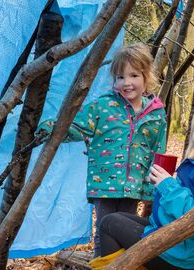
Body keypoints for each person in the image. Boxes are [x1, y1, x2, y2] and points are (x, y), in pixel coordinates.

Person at [89, 96, 194, 270]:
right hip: (170, 236)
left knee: (110, 224)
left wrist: (167, 185)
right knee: (114, 219)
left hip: (179, 253)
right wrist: (158, 186)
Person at [38, 44, 167, 257]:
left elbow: (158, 152)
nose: (126, 83)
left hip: (134, 185)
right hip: (104, 183)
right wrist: (49, 129)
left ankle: (120, 264)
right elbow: (76, 125)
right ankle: (101, 263)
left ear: (146, 77)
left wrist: (154, 187)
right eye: (120, 77)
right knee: (105, 227)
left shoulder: (155, 115)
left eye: (133, 75)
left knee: (125, 229)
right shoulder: (104, 107)